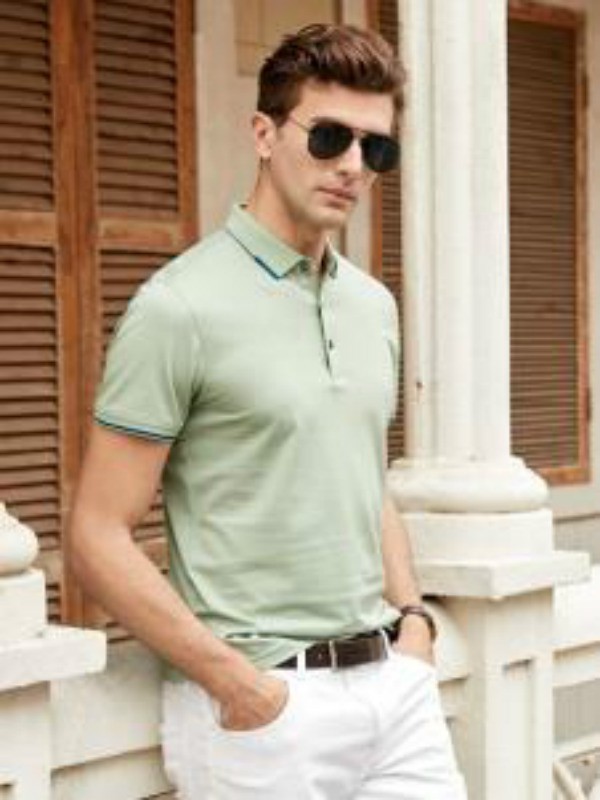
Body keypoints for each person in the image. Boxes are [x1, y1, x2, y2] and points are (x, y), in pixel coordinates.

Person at [69, 22, 467, 800]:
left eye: (376, 149)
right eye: (329, 137)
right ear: (263, 133)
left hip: (394, 692)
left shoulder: (373, 308)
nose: (352, 166)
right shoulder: (178, 308)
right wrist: (236, 682)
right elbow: (95, 533)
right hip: (264, 712)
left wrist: (413, 616)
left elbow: (363, 475)